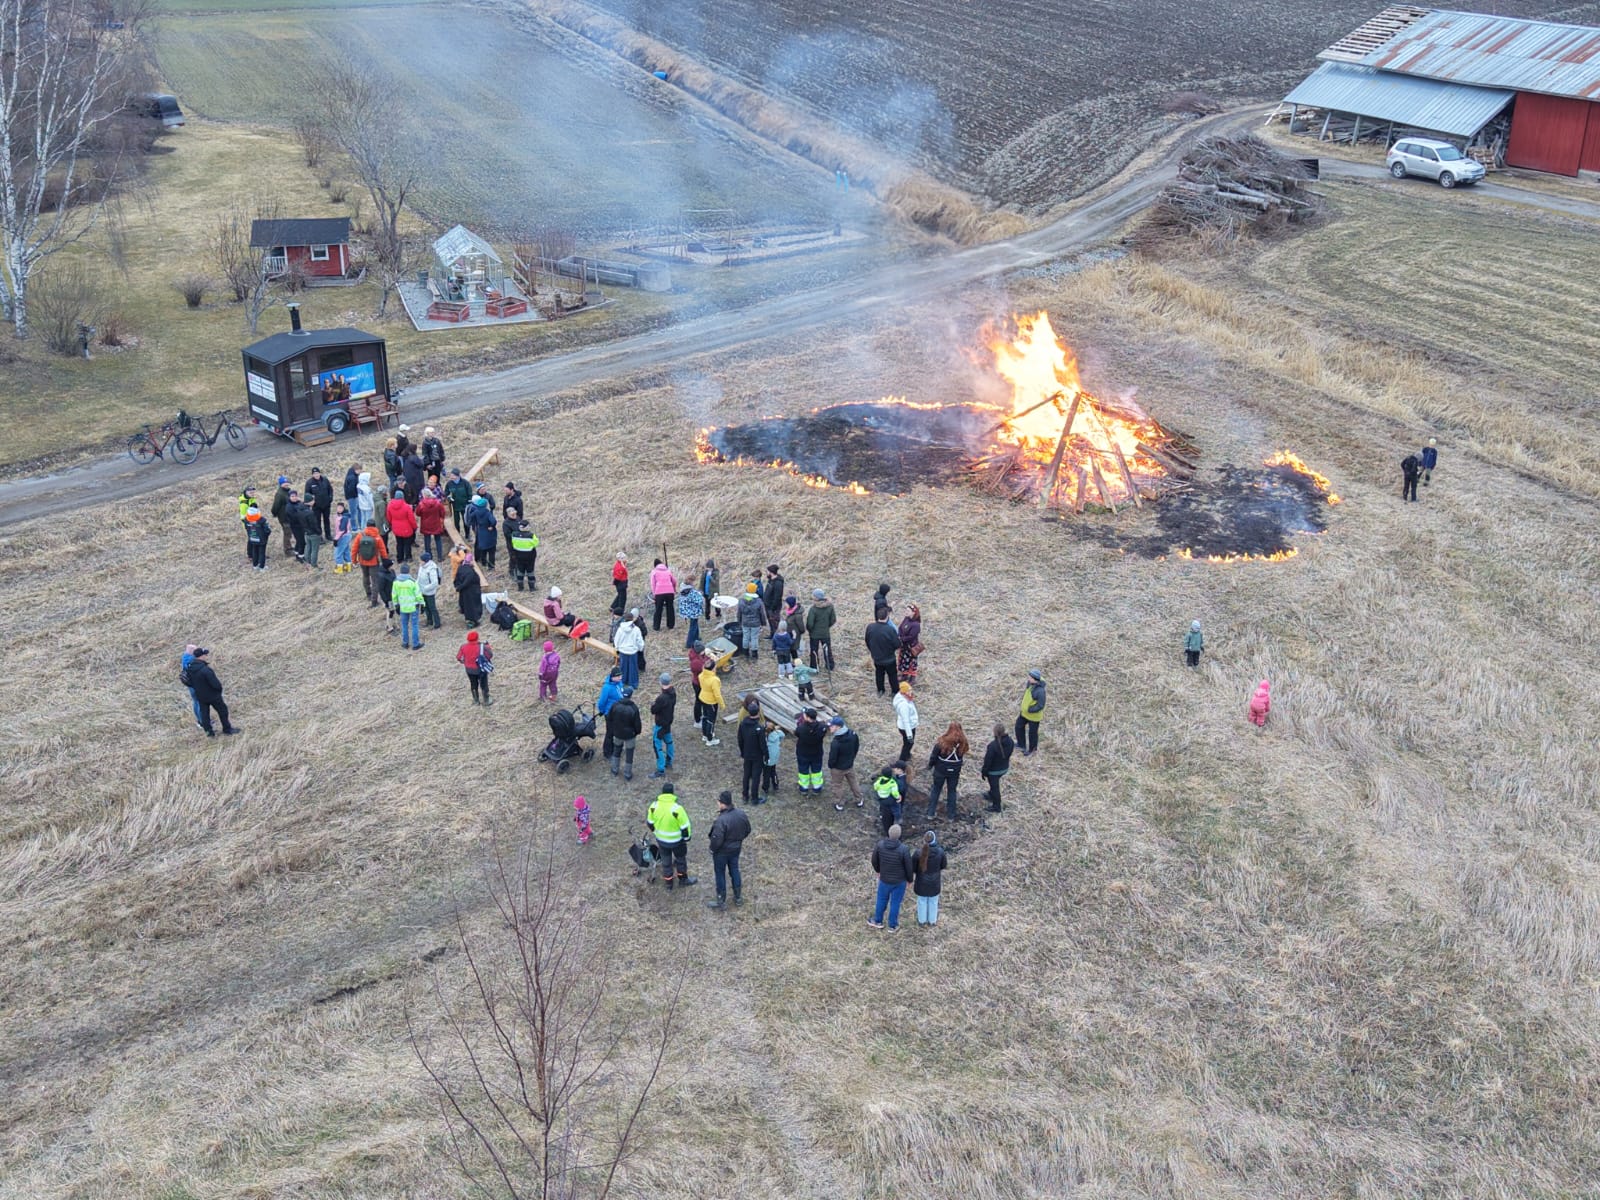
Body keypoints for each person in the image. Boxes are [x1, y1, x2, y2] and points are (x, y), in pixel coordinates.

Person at [646, 783, 696, 889]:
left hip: (662, 841)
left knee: (666, 862)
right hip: (677, 842)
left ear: (662, 792)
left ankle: (669, 884)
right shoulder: (677, 808)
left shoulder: (654, 806)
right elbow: (685, 827)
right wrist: (687, 838)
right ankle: (683, 880)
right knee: (680, 859)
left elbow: (650, 823)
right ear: (672, 793)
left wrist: (656, 832)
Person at [707, 790, 751, 909]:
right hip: (736, 849)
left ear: (722, 803)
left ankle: (721, 901)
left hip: (721, 852)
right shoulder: (741, 814)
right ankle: (738, 898)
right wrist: (738, 841)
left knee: (720, 874)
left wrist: (712, 849)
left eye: (718, 802)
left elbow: (716, 839)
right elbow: (748, 829)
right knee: (735, 870)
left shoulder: (721, 820)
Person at [868, 823, 914, 931]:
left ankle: (877, 920)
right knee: (895, 903)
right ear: (899, 835)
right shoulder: (904, 849)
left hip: (884, 879)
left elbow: (874, 860)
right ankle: (892, 926)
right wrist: (910, 880)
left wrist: (878, 870)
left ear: (889, 833)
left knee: (881, 900)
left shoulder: (880, 845)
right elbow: (909, 867)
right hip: (899, 882)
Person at [187, 647, 239, 737]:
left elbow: (189, 682)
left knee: (205, 715)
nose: (206, 656)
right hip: (213, 695)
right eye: (205, 655)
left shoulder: (190, 668)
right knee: (223, 711)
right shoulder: (205, 670)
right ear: (201, 656)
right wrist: (218, 690)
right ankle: (227, 729)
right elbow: (216, 684)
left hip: (200, 696)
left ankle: (209, 733)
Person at [924, 721, 968, 819]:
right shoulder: (963, 743)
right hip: (955, 772)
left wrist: (930, 766)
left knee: (936, 790)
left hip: (940, 771)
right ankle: (951, 816)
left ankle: (930, 813)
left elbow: (933, 756)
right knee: (952, 792)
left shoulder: (942, 743)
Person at [607, 685, 643, 780]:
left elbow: (610, 718)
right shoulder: (633, 708)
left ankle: (615, 769)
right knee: (629, 754)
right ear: (631, 696)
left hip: (618, 733)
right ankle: (627, 774)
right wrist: (637, 732)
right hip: (630, 735)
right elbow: (637, 724)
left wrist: (613, 730)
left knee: (616, 751)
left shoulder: (615, 705)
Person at [912, 831, 947, 927]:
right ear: (934, 840)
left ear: (924, 840)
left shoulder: (918, 853)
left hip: (921, 882)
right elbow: (943, 865)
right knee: (933, 901)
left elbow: (913, 868)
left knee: (922, 901)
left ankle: (922, 921)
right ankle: (932, 921)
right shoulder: (940, 852)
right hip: (935, 882)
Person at [828, 716, 862, 811]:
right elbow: (856, 747)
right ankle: (859, 799)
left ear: (838, 727)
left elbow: (832, 758)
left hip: (838, 769)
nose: (830, 727)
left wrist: (831, 766)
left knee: (837, 785)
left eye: (832, 726)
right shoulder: (853, 734)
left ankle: (839, 803)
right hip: (849, 765)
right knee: (853, 782)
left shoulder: (836, 742)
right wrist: (851, 759)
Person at [865, 608, 902, 695]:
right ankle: (894, 691)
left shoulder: (870, 627)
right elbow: (897, 644)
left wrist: (873, 651)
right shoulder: (890, 630)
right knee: (892, 675)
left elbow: (867, 640)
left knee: (879, 673)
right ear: (887, 616)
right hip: (889, 658)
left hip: (877, 657)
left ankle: (880, 690)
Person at [981, 723, 1015, 812]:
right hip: (1004, 768)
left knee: (995, 787)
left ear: (995, 732)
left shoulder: (992, 746)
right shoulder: (1010, 741)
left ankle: (996, 806)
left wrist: (984, 772)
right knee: (994, 785)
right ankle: (991, 794)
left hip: (994, 771)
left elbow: (988, 761)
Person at [737, 701, 765, 804]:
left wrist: (742, 751)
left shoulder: (743, 724)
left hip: (747, 754)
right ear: (758, 713)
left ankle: (745, 796)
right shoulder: (759, 728)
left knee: (746, 775)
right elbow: (763, 744)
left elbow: (740, 739)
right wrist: (766, 755)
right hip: (757, 756)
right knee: (756, 777)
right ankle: (754, 798)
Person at [793, 707, 826, 795]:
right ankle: (817, 788)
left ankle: (804, 788)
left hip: (803, 753)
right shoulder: (822, 727)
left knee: (803, 771)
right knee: (817, 771)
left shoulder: (801, 728)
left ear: (807, 717)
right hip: (817, 753)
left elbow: (797, 734)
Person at [352, 521, 386, 604]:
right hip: (374, 562)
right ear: (375, 526)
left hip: (362, 561)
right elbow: (382, 549)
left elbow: (354, 549)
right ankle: (374, 600)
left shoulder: (360, 535)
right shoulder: (377, 536)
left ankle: (368, 594)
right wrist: (385, 560)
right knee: (375, 581)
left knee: (365, 577)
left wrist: (354, 560)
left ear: (366, 526)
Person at [456, 629, 493, 705]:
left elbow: (459, 657)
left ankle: (476, 700)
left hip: (469, 670)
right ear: (477, 638)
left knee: (473, 684)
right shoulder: (482, 646)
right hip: (480, 669)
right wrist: (488, 647)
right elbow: (490, 655)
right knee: (483, 684)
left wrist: (464, 662)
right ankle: (486, 700)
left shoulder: (463, 646)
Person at [650, 673, 676, 778]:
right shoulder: (673, 693)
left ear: (661, 682)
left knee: (657, 746)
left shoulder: (661, 698)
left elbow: (654, 710)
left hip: (660, 725)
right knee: (669, 742)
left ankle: (661, 769)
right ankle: (669, 761)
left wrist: (653, 705)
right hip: (668, 722)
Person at [393, 563, 423, 650]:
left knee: (404, 625)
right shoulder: (412, 582)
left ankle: (405, 643)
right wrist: (422, 603)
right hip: (413, 607)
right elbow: (418, 595)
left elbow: (394, 595)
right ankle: (415, 644)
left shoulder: (396, 583)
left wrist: (396, 605)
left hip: (402, 607)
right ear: (408, 571)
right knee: (414, 625)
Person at [1016, 669, 1046, 757]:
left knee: (1032, 734)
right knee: (1018, 726)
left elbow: (1040, 705)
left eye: (1030, 677)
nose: (1028, 678)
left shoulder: (1040, 691)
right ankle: (1021, 745)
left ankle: (1032, 751)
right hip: (1024, 713)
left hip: (1033, 716)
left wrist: (1029, 709)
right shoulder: (1030, 683)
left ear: (1034, 679)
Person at [805, 588, 837, 671]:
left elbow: (810, 623)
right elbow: (833, 619)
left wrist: (810, 630)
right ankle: (830, 665)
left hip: (814, 635)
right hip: (825, 633)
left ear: (816, 597)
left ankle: (814, 666)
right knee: (827, 649)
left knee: (814, 651)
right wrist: (827, 626)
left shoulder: (813, 609)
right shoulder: (830, 606)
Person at [613, 611, 645, 689]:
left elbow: (616, 639)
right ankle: (633, 683)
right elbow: (639, 640)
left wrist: (617, 648)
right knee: (633, 668)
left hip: (623, 651)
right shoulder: (636, 629)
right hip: (633, 651)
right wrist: (641, 647)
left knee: (623, 667)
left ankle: (622, 681)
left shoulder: (620, 629)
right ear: (632, 620)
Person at [872, 762, 906, 835]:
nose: (893, 769)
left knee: (887, 819)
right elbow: (895, 792)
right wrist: (898, 797)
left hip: (884, 800)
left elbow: (875, 786)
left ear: (900, 770)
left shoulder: (880, 781)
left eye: (895, 768)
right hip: (891, 801)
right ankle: (897, 820)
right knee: (893, 812)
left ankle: (888, 830)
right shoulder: (893, 782)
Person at [508, 517, 539, 592]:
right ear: (527, 527)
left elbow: (513, 543)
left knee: (520, 571)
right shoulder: (531, 535)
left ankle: (520, 588)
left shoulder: (514, 534)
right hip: (530, 557)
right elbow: (536, 543)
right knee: (530, 572)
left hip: (518, 556)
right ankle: (532, 588)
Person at [417, 488, 448, 562]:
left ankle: (429, 557)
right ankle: (440, 557)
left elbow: (418, 513)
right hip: (436, 523)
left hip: (426, 525)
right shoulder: (437, 503)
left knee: (427, 541)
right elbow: (443, 512)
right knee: (438, 540)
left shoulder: (421, 504)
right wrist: (441, 518)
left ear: (424, 495)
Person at [467, 495, 497, 569]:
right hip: (489, 533)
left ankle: (483, 563)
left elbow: (470, 517)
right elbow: (493, 521)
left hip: (481, 531)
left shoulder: (476, 512)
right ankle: (491, 566)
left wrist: (473, 523)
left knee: (483, 548)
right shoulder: (488, 513)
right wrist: (491, 526)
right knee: (491, 551)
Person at [386, 489, 417, 564]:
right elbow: (411, 519)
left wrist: (392, 524)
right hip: (407, 528)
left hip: (396, 528)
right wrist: (414, 527)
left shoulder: (390, 505)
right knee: (407, 544)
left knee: (399, 543)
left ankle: (400, 558)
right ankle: (408, 557)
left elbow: (388, 517)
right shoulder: (406, 507)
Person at [179, 643, 204, 731]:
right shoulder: (193, 661)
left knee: (196, 702)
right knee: (200, 703)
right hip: (196, 685)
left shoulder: (185, 658)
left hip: (190, 686)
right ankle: (203, 722)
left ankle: (200, 721)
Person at [737, 583, 765, 661]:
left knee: (745, 637)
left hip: (745, 622)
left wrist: (739, 621)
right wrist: (763, 623)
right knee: (754, 638)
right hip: (755, 623)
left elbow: (739, 613)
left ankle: (745, 653)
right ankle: (754, 655)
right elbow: (762, 613)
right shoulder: (759, 601)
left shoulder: (741, 601)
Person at [454, 552, 483, 627]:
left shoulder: (461, 568)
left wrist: (458, 587)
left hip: (464, 592)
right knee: (473, 608)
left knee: (467, 607)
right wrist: (460, 587)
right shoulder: (470, 572)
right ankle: (473, 622)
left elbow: (456, 579)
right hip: (472, 592)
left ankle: (469, 620)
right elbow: (467, 582)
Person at [698, 660, 723, 746]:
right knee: (711, 721)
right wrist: (722, 704)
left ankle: (705, 735)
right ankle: (710, 739)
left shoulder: (701, 675)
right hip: (711, 702)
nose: (716, 668)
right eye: (715, 667)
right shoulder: (714, 680)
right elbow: (717, 694)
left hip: (703, 698)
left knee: (705, 717)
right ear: (712, 669)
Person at [897, 602, 923, 684]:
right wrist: (900, 635)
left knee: (911, 662)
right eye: (906, 610)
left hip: (911, 647)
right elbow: (900, 628)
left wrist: (902, 638)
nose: (906, 612)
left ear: (913, 613)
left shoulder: (916, 625)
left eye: (908, 611)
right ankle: (904, 675)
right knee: (904, 661)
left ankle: (912, 677)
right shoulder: (906, 619)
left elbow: (911, 636)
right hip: (904, 646)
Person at [304, 467, 334, 540]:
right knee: (317, 522)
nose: (316, 475)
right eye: (314, 474)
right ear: (312, 475)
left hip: (326, 505)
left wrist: (330, 498)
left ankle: (328, 535)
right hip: (316, 506)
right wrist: (311, 502)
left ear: (319, 473)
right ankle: (319, 537)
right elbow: (307, 495)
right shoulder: (309, 483)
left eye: (317, 473)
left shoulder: (325, 480)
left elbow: (330, 490)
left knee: (326, 520)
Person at [649, 558, 678, 631]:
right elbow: (674, 581)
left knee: (658, 609)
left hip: (659, 592)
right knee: (670, 608)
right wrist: (674, 590)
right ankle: (670, 625)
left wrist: (654, 594)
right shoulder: (668, 571)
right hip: (670, 592)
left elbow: (653, 584)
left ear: (655, 565)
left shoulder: (654, 571)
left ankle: (656, 627)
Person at [893, 682, 918, 761]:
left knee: (907, 743)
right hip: (907, 727)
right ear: (904, 692)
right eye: (909, 690)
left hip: (905, 726)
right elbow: (906, 721)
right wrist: (909, 735)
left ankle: (906, 754)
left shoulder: (901, 696)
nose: (911, 691)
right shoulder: (904, 705)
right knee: (908, 744)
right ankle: (903, 759)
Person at [417, 552, 442, 629]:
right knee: (425, 607)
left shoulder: (431, 569)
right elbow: (419, 577)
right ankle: (429, 621)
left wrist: (425, 588)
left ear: (425, 561)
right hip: (422, 591)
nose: (419, 561)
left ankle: (437, 623)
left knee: (432, 607)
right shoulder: (422, 567)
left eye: (421, 560)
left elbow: (435, 582)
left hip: (429, 592)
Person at [677, 582, 705, 649]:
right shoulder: (692, 593)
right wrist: (700, 594)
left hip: (687, 612)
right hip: (694, 612)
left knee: (695, 624)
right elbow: (700, 601)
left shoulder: (683, 593)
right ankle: (689, 643)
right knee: (693, 627)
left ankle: (696, 637)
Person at [283, 489, 308, 563]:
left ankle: (297, 553)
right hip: (296, 527)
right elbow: (294, 517)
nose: (294, 497)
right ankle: (301, 556)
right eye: (292, 496)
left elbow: (304, 509)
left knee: (299, 541)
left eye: (295, 496)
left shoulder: (299, 503)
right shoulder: (289, 507)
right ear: (289, 497)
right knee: (302, 542)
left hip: (302, 525)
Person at [244, 505, 272, 571]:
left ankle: (255, 565)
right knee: (262, 552)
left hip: (252, 538)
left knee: (254, 551)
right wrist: (266, 536)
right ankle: (262, 567)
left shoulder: (246, 519)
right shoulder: (262, 520)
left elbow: (246, 528)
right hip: (262, 539)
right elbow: (268, 530)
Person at [444, 468, 472, 535]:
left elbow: (470, 493)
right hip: (455, 506)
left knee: (466, 521)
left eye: (453, 475)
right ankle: (458, 535)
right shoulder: (449, 484)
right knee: (456, 522)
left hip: (465, 506)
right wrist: (448, 498)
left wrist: (469, 503)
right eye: (451, 475)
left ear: (458, 476)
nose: (451, 477)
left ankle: (467, 535)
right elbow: (446, 493)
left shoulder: (465, 483)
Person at [270, 476, 292, 557]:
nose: (286, 484)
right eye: (284, 483)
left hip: (289, 516)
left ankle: (289, 547)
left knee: (289, 532)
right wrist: (274, 513)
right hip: (284, 518)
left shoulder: (287, 492)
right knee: (287, 533)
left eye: (287, 482)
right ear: (281, 484)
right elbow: (275, 506)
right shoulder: (280, 494)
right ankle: (287, 550)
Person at [761, 720, 783, 802]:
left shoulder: (766, 739)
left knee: (766, 774)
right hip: (775, 758)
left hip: (768, 759)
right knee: (773, 772)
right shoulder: (777, 734)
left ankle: (765, 788)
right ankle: (775, 785)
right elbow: (782, 735)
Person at [375, 557, 398, 635]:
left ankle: (393, 624)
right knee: (390, 611)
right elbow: (381, 590)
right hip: (388, 598)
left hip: (393, 596)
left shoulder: (391, 571)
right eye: (391, 565)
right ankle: (390, 627)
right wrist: (386, 601)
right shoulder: (381, 576)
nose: (393, 567)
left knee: (393, 611)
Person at [332, 502, 356, 573]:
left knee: (338, 553)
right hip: (346, 536)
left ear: (343, 508)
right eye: (338, 508)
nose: (338, 509)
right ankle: (348, 567)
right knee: (346, 551)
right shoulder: (342, 516)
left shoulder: (344, 517)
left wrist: (336, 539)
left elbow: (342, 530)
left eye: (340, 508)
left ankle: (339, 569)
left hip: (342, 537)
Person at [762, 563, 784, 634]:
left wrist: (772, 607)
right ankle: (772, 634)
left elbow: (777, 597)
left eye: (767, 571)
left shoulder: (778, 583)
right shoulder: (771, 580)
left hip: (773, 608)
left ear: (771, 572)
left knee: (774, 622)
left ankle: (775, 636)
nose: (766, 573)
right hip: (768, 606)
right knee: (770, 621)